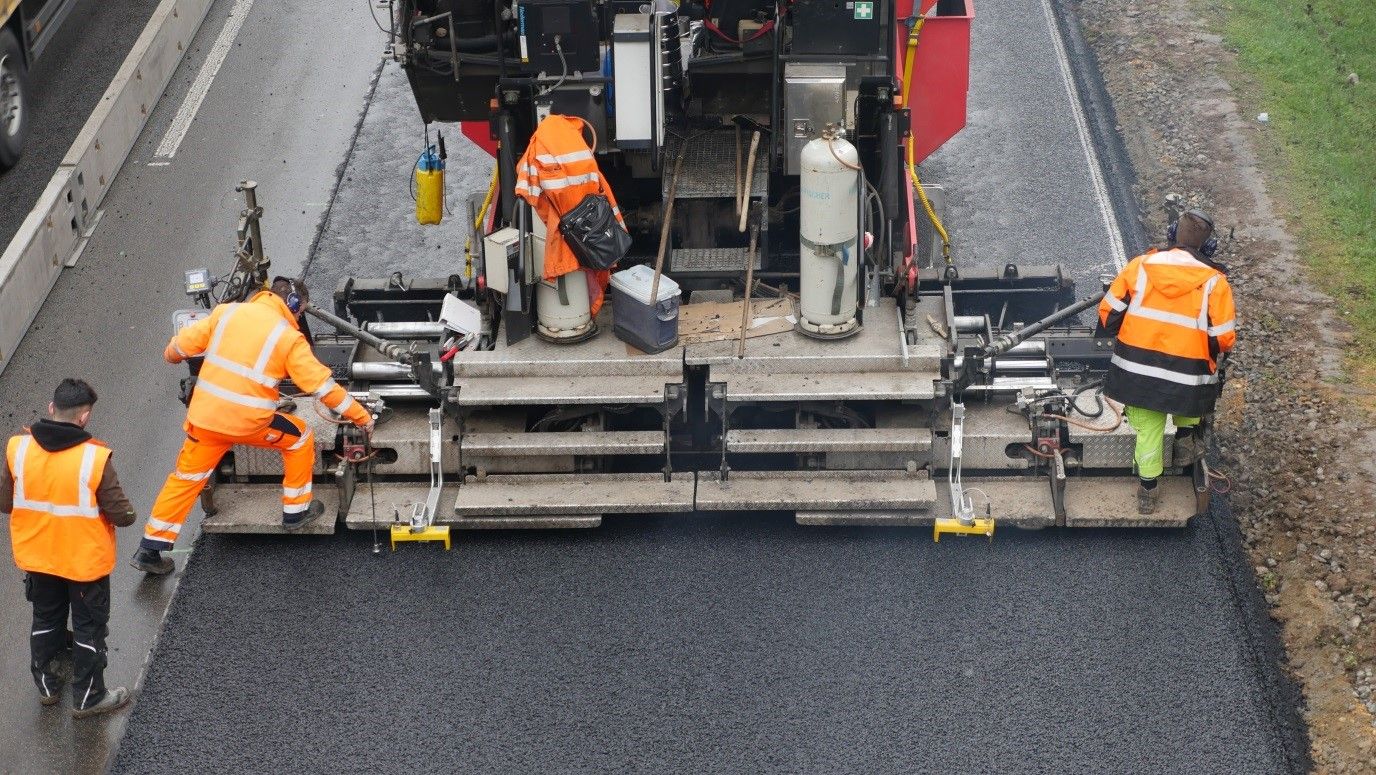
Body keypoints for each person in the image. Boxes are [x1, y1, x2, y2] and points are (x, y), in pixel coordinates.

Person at [132, 278, 374, 575]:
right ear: (294, 305)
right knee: (300, 437)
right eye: (301, 312)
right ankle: (296, 512)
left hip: (205, 421)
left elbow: (177, 350)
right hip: (249, 423)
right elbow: (324, 388)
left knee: (185, 478)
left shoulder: (225, 312)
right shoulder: (287, 337)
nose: (299, 318)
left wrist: (172, 353)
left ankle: (149, 549)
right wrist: (363, 417)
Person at [1, 379, 135, 717]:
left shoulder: (18, 448)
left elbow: (5, 503)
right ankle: (89, 698)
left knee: (46, 620)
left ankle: (47, 687)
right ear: (84, 417)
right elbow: (123, 515)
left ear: (51, 408)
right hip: (83, 562)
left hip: (39, 558)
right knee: (89, 627)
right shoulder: (94, 458)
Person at [1099, 208, 1236, 514]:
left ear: (1172, 235)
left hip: (1137, 374)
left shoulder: (1141, 266)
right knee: (1199, 382)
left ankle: (1148, 492)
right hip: (1187, 381)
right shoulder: (1215, 282)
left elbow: (1107, 314)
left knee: (1148, 429)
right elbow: (1225, 339)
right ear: (1208, 247)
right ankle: (1187, 437)